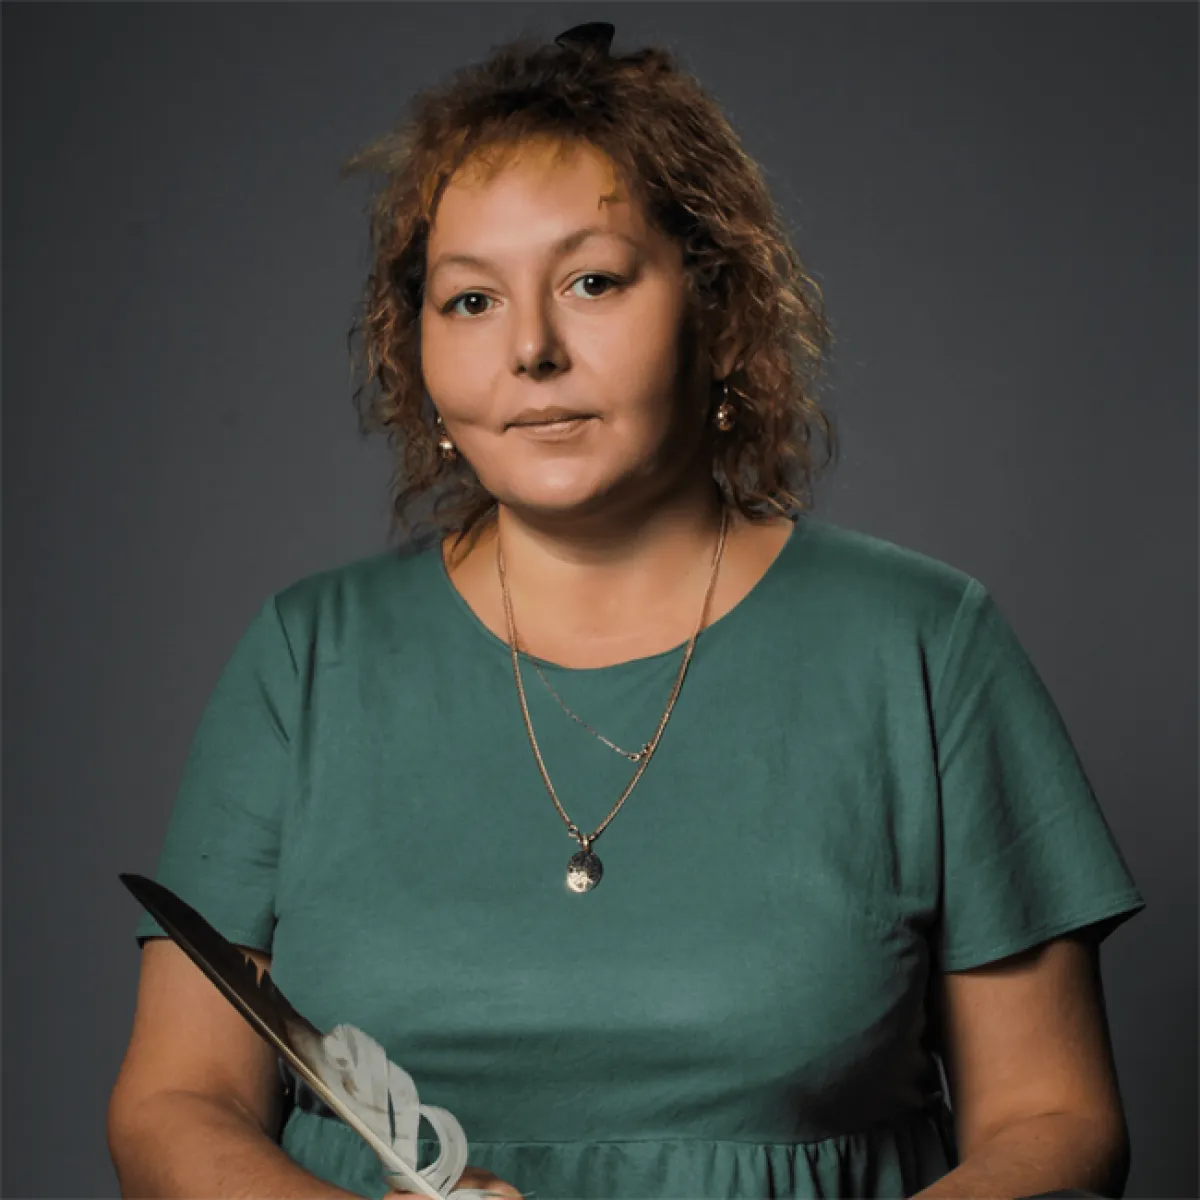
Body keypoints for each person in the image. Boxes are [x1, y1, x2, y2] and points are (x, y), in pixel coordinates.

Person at [106, 23, 1145, 1200]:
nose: (531, 349)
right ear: (420, 353)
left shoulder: (925, 646)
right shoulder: (305, 659)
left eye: (591, 282)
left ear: (719, 308)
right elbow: (174, 1104)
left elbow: (1056, 1120)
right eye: (470, 300)